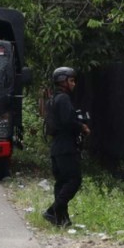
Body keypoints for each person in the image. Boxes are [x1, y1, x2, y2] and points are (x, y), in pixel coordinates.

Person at [43, 66, 90, 228]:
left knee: (62, 182)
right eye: (71, 80)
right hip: (65, 147)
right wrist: (82, 127)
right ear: (63, 81)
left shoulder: (53, 99)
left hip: (57, 147)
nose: (74, 84)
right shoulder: (63, 99)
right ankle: (52, 210)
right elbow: (68, 121)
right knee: (74, 180)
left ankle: (61, 219)